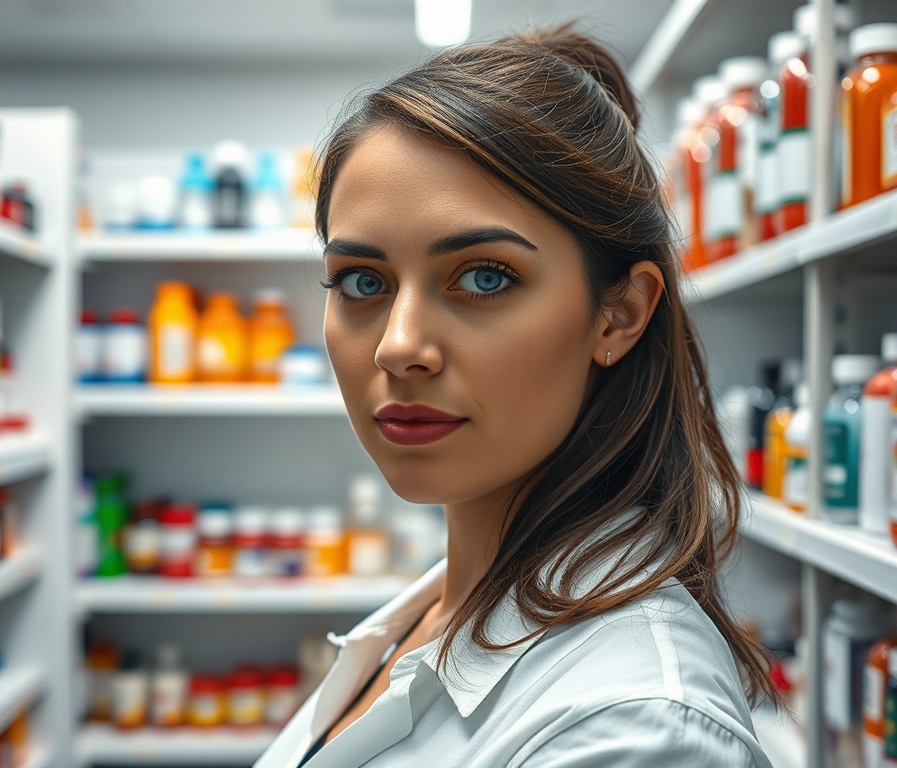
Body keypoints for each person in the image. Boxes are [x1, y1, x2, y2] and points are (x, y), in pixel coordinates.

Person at [255, 25, 775, 768]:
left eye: (485, 277)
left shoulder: (635, 729)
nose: (398, 346)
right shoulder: (433, 612)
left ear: (619, 314)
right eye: (362, 282)